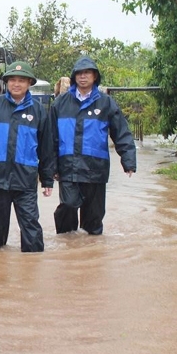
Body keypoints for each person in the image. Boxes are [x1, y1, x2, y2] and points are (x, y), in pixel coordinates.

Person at [0, 61, 55, 252]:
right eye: (12, 79)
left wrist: (47, 179)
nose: (16, 84)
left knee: (32, 232)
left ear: (29, 83)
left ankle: (31, 274)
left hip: (26, 180)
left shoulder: (39, 112)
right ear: (6, 82)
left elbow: (46, 149)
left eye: (21, 80)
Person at [50, 56, 136, 235]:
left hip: (95, 169)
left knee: (93, 221)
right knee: (68, 205)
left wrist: (128, 159)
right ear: (74, 77)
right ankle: (66, 248)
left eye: (87, 73)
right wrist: (49, 167)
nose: (83, 77)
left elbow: (121, 132)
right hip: (68, 168)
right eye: (79, 73)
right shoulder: (60, 103)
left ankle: (92, 255)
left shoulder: (106, 103)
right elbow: (50, 138)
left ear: (95, 76)